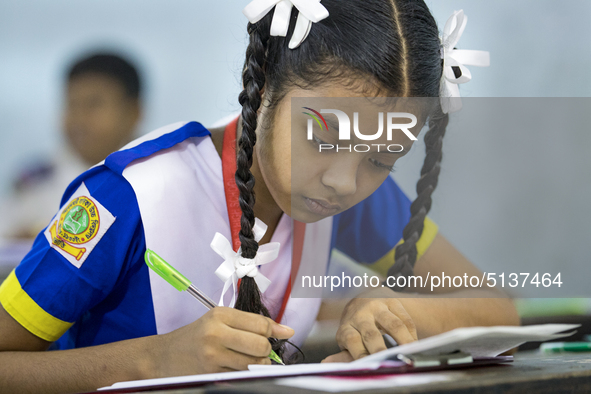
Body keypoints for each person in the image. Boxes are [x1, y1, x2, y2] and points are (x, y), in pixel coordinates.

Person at [0, 1, 519, 393]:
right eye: (323, 139)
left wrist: (398, 310)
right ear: (266, 82)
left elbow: (499, 310)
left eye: (381, 160)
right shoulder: (130, 195)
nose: (345, 180)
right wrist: (154, 361)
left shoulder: (351, 198)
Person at [0, 53, 142, 239]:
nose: (80, 119)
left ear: (133, 112)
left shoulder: (159, 178)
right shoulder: (35, 185)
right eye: (72, 104)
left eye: (94, 104)